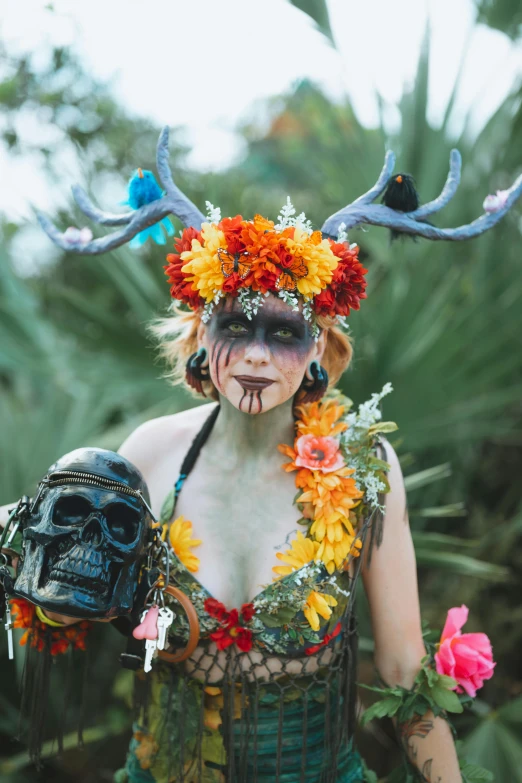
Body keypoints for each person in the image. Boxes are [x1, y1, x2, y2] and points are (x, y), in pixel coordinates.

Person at [2, 131, 520, 782]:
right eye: (235, 326)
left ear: (316, 347)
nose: (254, 355)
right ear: (201, 332)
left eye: (283, 333)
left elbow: (401, 672)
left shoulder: (364, 467)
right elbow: (65, 596)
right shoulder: (151, 454)